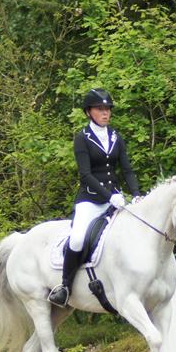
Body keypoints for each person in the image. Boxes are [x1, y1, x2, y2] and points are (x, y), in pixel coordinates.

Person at [48, 88, 141, 306]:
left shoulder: (116, 137)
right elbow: (86, 174)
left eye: (107, 109)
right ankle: (65, 286)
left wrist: (136, 194)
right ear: (89, 112)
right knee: (79, 238)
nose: (105, 113)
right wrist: (109, 196)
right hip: (90, 200)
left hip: (116, 199)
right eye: (100, 109)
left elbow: (126, 170)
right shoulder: (82, 138)